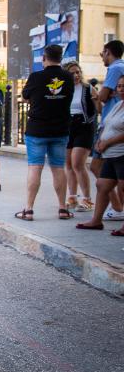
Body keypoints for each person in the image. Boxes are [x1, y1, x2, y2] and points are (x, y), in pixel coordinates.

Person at [18, 44, 75, 221]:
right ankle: (63, 208)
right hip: (60, 129)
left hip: (37, 129)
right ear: (61, 58)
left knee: (35, 166)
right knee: (58, 167)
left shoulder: (36, 77)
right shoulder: (68, 77)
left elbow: (26, 96)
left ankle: (28, 209)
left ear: (44, 57)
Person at [77, 75, 124, 234]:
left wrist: (108, 142)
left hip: (121, 153)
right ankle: (96, 221)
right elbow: (107, 123)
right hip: (110, 155)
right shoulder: (118, 105)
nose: (121, 89)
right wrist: (100, 141)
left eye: (123, 86)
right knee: (102, 185)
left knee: (123, 188)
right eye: (119, 86)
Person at [92, 40, 124, 221]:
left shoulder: (114, 68)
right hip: (110, 129)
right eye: (118, 87)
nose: (119, 89)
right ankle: (101, 217)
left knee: (99, 168)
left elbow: (102, 98)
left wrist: (97, 95)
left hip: (113, 137)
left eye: (102, 53)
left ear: (108, 52)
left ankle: (118, 208)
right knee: (106, 179)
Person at [63, 62, 99, 212]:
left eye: (78, 72)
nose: (76, 75)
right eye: (72, 73)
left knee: (78, 163)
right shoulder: (63, 89)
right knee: (69, 164)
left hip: (84, 126)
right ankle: (72, 196)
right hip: (67, 126)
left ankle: (87, 199)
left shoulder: (88, 89)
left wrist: (97, 99)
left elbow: (98, 110)